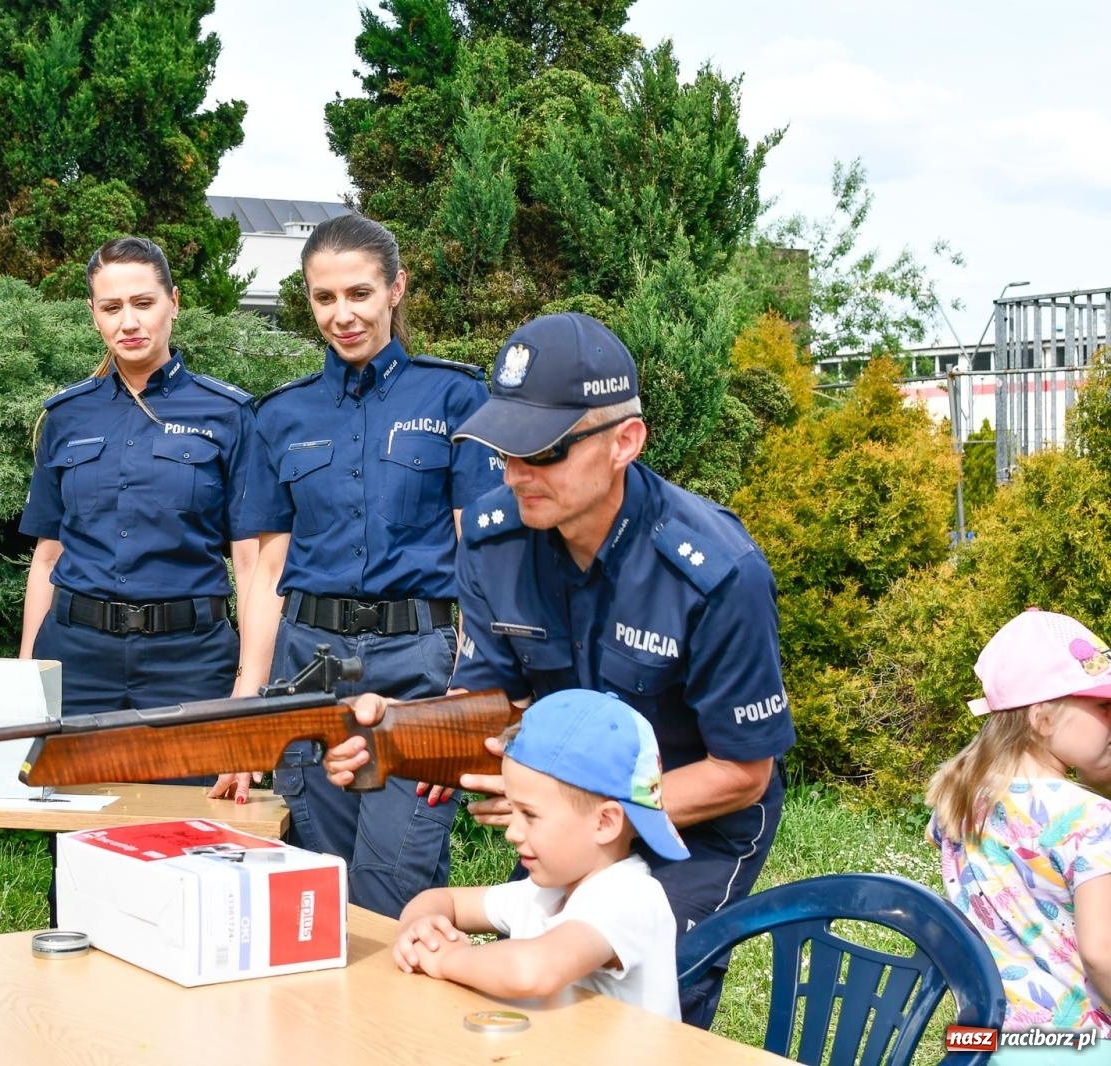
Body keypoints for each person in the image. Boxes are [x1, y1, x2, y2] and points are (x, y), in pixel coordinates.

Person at [327, 311, 794, 1027]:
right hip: (570, 818)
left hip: (694, 825)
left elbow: (742, 772)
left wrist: (581, 815)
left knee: (634, 999)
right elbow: (489, 702)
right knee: (519, 1000)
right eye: (503, 450)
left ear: (624, 442)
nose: (515, 475)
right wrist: (393, 736)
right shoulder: (493, 539)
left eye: (542, 453)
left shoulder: (716, 572)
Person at [230, 213, 499, 918]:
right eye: (324, 298)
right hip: (307, 669)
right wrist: (246, 702)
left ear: (395, 290)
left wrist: (469, 691)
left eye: (359, 294)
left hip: (420, 666)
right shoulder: (279, 415)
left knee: (392, 882)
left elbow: (484, 556)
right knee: (318, 880)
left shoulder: (455, 397)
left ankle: (404, 1021)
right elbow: (267, 570)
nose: (342, 315)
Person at [18, 236, 257, 742]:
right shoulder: (65, 416)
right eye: (112, 307)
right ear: (94, 314)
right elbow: (46, 556)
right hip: (76, 659)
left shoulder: (229, 415)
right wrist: (24, 676)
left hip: (190, 661)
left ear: (174, 302)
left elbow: (251, 563)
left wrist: (248, 683)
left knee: (190, 818)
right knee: (75, 815)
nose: (128, 322)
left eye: (143, 303)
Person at [393, 689, 686, 1020]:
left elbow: (531, 971)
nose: (512, 832)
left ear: (605, 822)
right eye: (512, 810)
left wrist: (447, 959)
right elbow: (444, 900)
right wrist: (419, 929)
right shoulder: (542, 893)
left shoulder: (631, 898)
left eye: (529, 816)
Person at [927, 609, 1111, 1058]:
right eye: (1104, 706)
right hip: (1079, 1047)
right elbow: (1101, 955)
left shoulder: (960, 804)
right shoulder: (1091, 818)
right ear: (1042, 717)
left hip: (982, 1040)